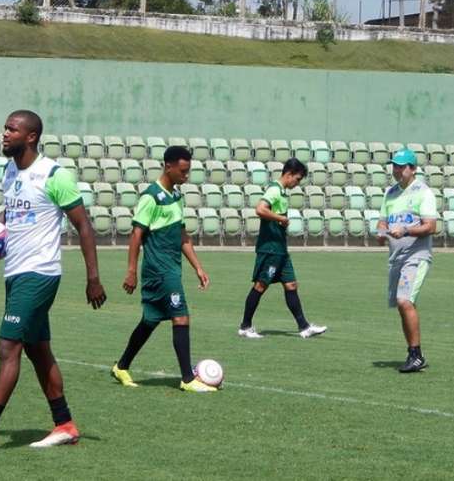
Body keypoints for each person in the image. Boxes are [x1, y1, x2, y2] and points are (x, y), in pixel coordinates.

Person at [0, 110, 107, 451]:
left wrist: (93, 278)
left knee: (8, 347)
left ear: (31, 136)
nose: (4, 133)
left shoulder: (53, 175)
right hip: (15, 272)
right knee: (38, 350)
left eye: (12, 129)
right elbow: (10, 214)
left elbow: (84, 226)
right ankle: (64, 424)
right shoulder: (9, 171)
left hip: (40, 273)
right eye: (4, 127)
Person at [111, 146, 216, 392]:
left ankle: (122, 366)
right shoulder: (151, 197)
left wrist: (198, 268)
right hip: (159, 271)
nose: (186, 176)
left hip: (172, 268)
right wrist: (131, 271)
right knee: (181, 317)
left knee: (150, 320)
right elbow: (136, 235)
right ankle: (188, 379)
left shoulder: (177, 197)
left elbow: (182, 236)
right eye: (183, 171)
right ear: (168, 166)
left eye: (188, 171)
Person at [237, 158, 327, 339]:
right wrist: (280, 218)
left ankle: (304, 327)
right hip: (270, 248)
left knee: (291, 284)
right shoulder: (274, 190)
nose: (297, 183)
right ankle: (245, 326)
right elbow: (260, 209)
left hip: (280, 249)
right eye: (298, 179)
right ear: (289, 174)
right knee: (261, 285)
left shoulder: (282, 192)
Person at [377, 148, 437, 373]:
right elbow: (382, 222)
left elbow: (431, 226)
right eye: (395, 166)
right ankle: (413, 352)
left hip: (416, 255)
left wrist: (407, 231)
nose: (397, 170)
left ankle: (416, 355)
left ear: (413, 169)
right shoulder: (391, 193)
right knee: (403, 305)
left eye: (401, 167)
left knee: (404, 301)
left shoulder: (423, 192)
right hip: (396, 258)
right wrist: (381, 233)